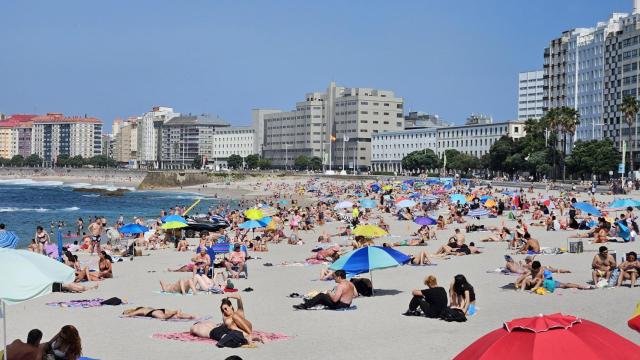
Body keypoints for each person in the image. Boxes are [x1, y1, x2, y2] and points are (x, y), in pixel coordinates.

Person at [190, 294, 260, 347]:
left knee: (234, 318)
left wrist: (230, 296)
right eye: (223, 310)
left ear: (231, 306)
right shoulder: (226, 318)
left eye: (226, 308)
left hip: (246, 329)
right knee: (227, 326)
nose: (225, 311)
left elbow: (239, 297)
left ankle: (249, 335)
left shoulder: (239, 312)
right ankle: (248, 336)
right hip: (238, 332)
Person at [122, 307, 195, 320]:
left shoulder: (140, 310)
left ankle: (175, 311)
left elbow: (131, 315)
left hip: (153, 312)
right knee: (176, 316)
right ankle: (190, 316)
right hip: (159, 309)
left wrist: (126, 316)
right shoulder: (146, 307)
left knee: (163, 317)